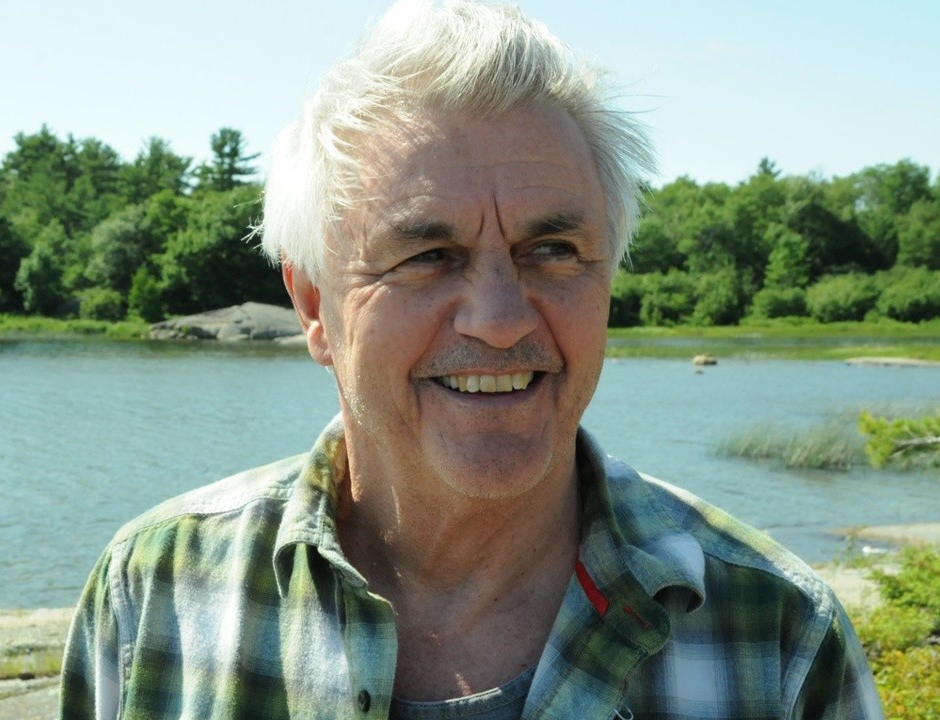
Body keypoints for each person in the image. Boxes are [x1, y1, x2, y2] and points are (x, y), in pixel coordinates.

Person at [60, 2, 883, 718]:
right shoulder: (155, 597)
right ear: (314, 306)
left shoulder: (779, 636)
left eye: (552, 250)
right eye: (428, 257)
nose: (498, 320)